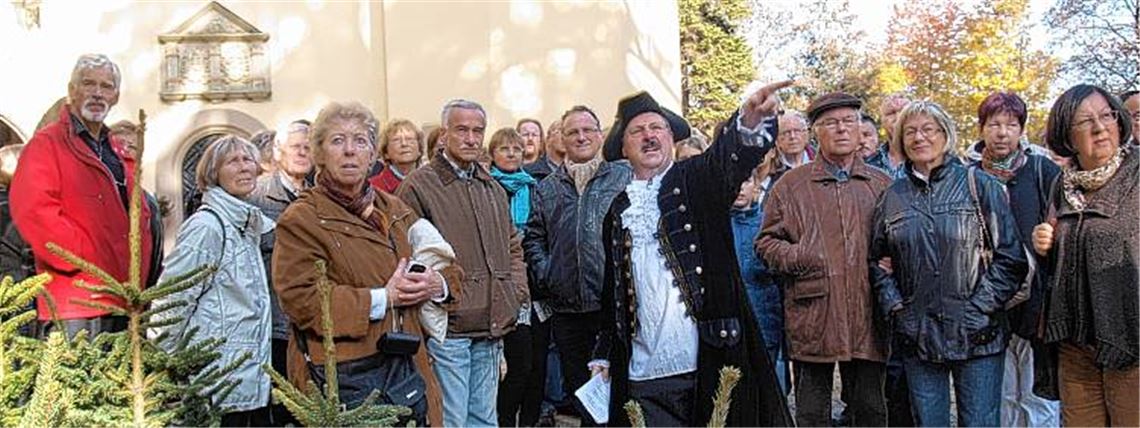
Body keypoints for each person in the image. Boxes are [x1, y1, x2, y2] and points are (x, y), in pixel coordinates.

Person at [592, 83, 794, 426]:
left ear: (672, 139)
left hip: (710, 359)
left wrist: (748, 119)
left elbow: (727, 159)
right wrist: (605, 354)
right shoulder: (618, 208)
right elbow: (614, 290)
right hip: (643, 369)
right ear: (623, 148)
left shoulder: (697, 179)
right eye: (637, 131)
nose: (649, 136)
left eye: (657, 128)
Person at [273, 101, 460, 426]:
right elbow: (300, 300)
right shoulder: (302, 218)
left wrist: (436, 283)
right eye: (337, 141)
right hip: (345, 383)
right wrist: (383, 298)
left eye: (360, 141)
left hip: (408, 372)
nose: (349, 151)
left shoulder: (395, 209)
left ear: (373, 153)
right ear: (319, 153)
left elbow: (450, 270)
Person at [869, 100, 1028, 426]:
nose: (919, 138)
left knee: (980, 422)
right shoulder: (892, 197)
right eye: (910, 131)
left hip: (979, 333)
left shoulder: (979, 185)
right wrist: (899, 311)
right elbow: (876, 262)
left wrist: (979, 309)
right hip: (919, 334)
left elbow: (1010, 258)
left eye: (928, 129)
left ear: (946, 134)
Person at [758, 92, 892, 427]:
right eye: (831, 123)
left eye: (849, 121)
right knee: (812, 411)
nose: (842, 130)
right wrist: (802, 255)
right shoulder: (791, 186)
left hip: (868, 312)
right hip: (813, 313)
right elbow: (765, 244)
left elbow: (900, 241)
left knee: (871, 409)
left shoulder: (882, 185)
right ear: (815, 131)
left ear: (861, 128)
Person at [397, 99, 528, 428]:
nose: (471, 138)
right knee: (451, 420)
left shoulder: (491, 187)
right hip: (448, 327)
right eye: (462, 130)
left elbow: (513, 246)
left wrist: (515, 291)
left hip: (491, 323)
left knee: (484, 420)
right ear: (444, 135)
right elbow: (404, 253)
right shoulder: (418, 186)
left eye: (478, 131)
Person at [11, 53, 158, 337]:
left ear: (115, 96)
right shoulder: (47, 145)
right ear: (72, 91)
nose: (97, 93)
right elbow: (34, 212)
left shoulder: (116, 151)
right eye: (88, 84)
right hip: (75, 302)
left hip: (123, 298)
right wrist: (83, 259)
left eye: (106, 86)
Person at [149, 135, 274, 426]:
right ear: (213, 173)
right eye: (233, 161)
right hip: (217, 377)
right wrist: (164, 368)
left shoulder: (245, 225)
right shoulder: (208, 226)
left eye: (248, 160)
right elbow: (173, 298)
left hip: (245, 375)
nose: (244, 167)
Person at [1032, 84, 1138, 427]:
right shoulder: (1061, 185)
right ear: (1067, 134)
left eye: (1106, 115)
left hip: (1131, 340)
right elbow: (1060, 261)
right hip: (1076, 345)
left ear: (1119, 122)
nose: (1099, 127)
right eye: (1084, 121)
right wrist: (1044, 244)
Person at [523, 105, 632, 425]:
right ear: (561, 139)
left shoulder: (622, 177)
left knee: (618, 392)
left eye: (588, 130)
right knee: (580, 393)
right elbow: (533, 238)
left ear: (600, 135)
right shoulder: (547, 187)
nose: (581, 137)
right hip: (567, 309)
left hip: (611, 307)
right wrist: (548, 274)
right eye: (572, 132)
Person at [965, 91, 1062, 427]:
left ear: (1022, 129)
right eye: (993, 124)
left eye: (1011, 124)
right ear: (981, 129)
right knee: (1002, 396)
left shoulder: (1042, 170)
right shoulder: (968, 177)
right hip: (990, 302)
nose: (1002, 132)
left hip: (1038, 301)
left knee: (1039, 396)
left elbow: (1065, 220)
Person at [247, 118, 312, 426]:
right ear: (278, 151)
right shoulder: (256, 195)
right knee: (279, 405)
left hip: (314, 319)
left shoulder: (320, 195)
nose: (303, 152)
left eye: (309, 147)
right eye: (296, 146)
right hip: (274, 320)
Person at [485, 127, 544, 427]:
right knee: (505, 364)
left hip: (530, 284)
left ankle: (527, 421)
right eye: (504, 149)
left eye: (516, 149)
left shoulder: (533, 187)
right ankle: (503, 419)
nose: (511, 154)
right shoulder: (484, 187)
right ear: (492, 154)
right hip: (496, 284)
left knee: (530, 364)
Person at [729, 165, 788, 394]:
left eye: (745, 182)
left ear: (755, 187)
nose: (740, 189)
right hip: (731, 322)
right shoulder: (715, 226)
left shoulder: (768, 225)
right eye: (734, 182)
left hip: (766, 319)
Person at [369, 119, 424, 194]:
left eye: (410, 139)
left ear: (419, 151)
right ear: (386, 153)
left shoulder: (432, 182)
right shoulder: (372, 187)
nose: (404, 144)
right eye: (396, 140)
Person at [866, 93, 911, 180]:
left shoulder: (927, 161)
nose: (898, 118)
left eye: (904, 112)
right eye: (891, 113)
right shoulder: (868, 165)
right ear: (882, 121)